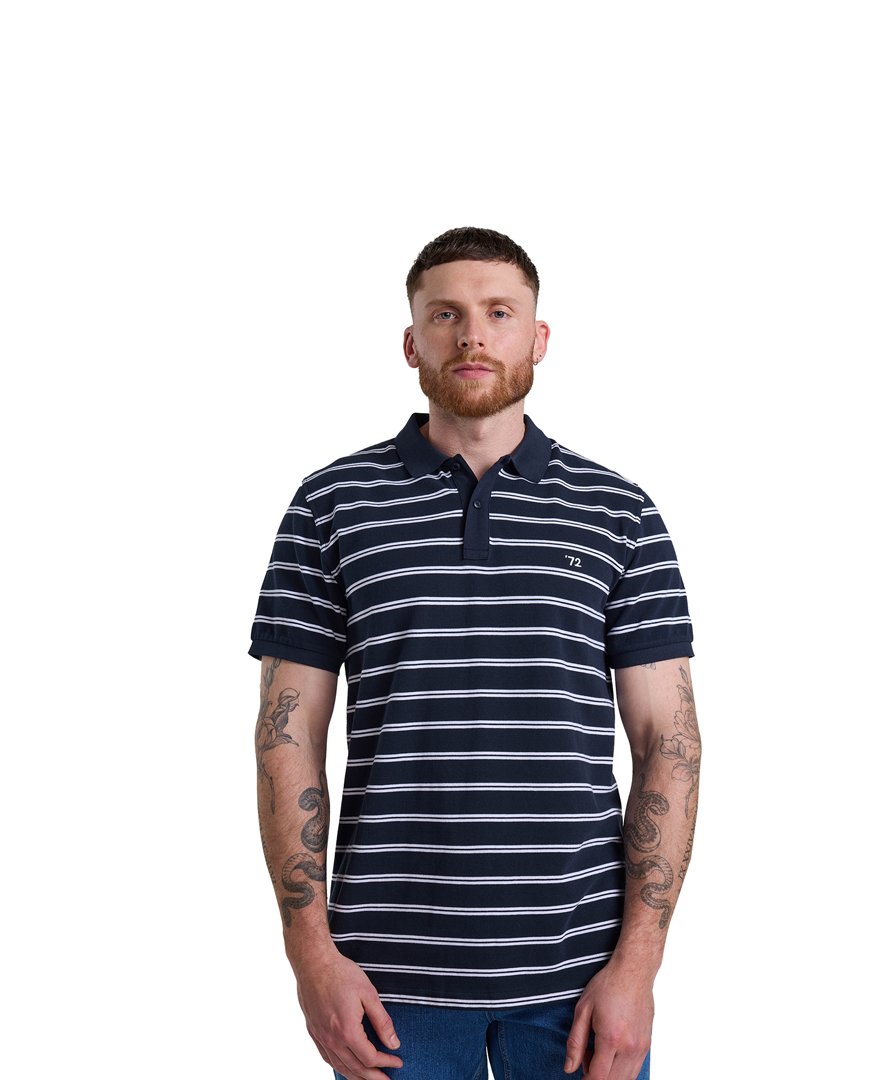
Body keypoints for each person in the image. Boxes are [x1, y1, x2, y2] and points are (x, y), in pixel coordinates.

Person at [251, 227, 700, 1080]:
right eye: (445, 314)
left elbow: (668, 745)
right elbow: (287, 736)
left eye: (499, 312)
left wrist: (638, 969)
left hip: (581, 978)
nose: (472, 336)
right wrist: (311, 959)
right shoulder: (329, 505)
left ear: (539, 337)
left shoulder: (621, 512)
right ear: (411, 341)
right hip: (384, 980)